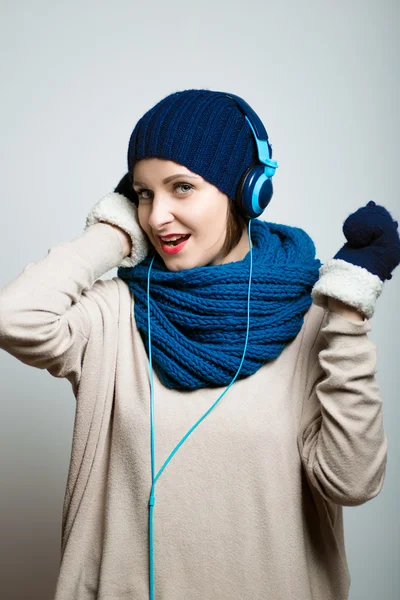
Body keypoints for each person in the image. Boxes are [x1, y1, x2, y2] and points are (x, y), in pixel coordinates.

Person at [0, 88, 399, 600]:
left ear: (247, 191)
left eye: (181, 187)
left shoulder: (315, 316)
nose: (157, 215)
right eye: (143, 194)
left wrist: (346, 311)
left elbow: (352, 482)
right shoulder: (117, 313)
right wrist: (116, 233)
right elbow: (15, 317)